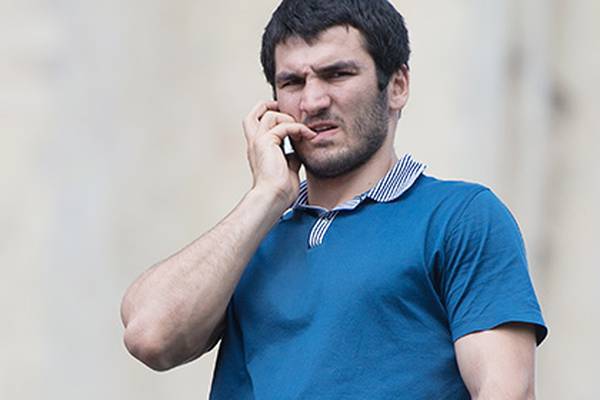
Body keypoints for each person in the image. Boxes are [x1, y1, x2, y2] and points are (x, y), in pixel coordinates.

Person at [120, 0, 547, 398]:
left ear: (397, 85)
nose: (312, 101)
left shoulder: (460, 217)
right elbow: (149, 336)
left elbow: (506, 392)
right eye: (292, 82)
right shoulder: (252, 235)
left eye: (337, 74)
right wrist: (266, 196)